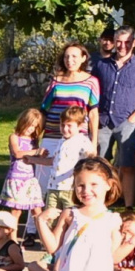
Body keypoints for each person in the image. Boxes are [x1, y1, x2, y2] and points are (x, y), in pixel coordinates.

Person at [93, 26, 135, 208]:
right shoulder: (101, 65)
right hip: (103, 121)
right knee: (100, 164)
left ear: (134, 43)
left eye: (127, 42)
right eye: (119, 42)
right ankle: (99, 204)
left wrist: (134, 117)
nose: (122, 46)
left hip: (127, 121)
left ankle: (128, 206)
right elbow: (93, 92)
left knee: (128, 166)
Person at [37, 43, 101, 206]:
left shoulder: (91, 82)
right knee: (41, 183)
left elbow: (93, 112)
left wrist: (93, 143)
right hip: (53, 134)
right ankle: (33, 227)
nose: (69, 60)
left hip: (77, 138)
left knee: (72, 182)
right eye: (66, 56)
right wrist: (36, 137)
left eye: (74, 56)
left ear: (83, 58)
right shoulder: (56, 81)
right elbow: (44, 109)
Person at [39, 108, 99, 229]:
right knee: (50, 218)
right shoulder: (61, 141)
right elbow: (52, 161)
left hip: (69, 188)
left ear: (79, 125)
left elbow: (91, 155)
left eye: (69, 125)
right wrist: (31, 159)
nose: (65, 129)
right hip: (53, 187)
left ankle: (66, 243)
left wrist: (90, 156)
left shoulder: (82, 140)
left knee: (70, 218)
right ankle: (50, 243)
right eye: (62, 125)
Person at [0, 108, 47, 235]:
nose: (31, 129)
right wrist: (35, 151)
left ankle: (45, 239)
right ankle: (12, 240)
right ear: (23, 122)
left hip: (30, 179)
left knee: (37, 210)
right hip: (17, 178)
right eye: (30, 125)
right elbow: (18, 153)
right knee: (16, 211)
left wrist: (41, 155)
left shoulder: (33, 140)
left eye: (34, 126)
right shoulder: (14, 137)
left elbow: (33, 158)